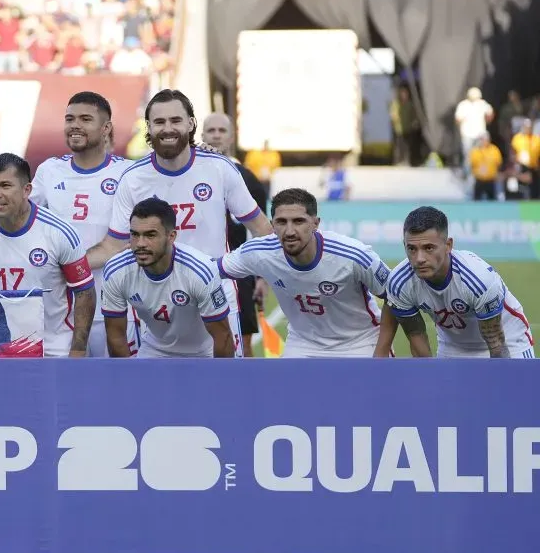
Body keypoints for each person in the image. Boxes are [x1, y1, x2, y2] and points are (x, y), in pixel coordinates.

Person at [87, 89, 274, 357]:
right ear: (148, 127)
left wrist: (253, 273)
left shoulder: (219, 169)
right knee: (156, 396)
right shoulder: (133, 178)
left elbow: (262, 230)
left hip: (215, 297)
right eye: (159, 122)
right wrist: (66, 267)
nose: (168, 129)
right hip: (156, 303)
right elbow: (114, 245)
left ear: (191, 123)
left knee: (221, 392)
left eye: (176, 120)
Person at [0, 153, 97, 358]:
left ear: (27, 190)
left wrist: (77, 350)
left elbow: (85, 292)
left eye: (5, 186)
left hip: (52, 350)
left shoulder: (58, 232)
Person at [217, 188, 391, 358]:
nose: (290, 231)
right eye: (281, 222)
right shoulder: (260, 252)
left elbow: (395, 296)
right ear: (272, 225)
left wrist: (382, 351)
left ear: (316, 223)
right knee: (285, 388)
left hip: (360, 342)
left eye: (298, 221)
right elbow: (210, 271)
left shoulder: (353, 255)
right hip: (303, 344)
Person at [29, 91, 132, 357]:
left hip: (116, 307)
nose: (75, 125)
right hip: (61, 312)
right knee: (66, 393)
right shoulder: (49, 170)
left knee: (118, 390)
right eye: (70, 118)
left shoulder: (128, 173)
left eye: (86, 119)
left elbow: (123, 242)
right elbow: (27, 225)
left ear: (106, 127)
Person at [377, 206, 533, 359]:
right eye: (411, 249)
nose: (419, 259)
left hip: (508, 340)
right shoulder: (399, 284)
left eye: (429, 248)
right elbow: (416, 336)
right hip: (453, 346)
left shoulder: (478, 280)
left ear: (448, 245)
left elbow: (497, 345)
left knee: (507, 383)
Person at [102, 198, 234, 358]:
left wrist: (218, 381)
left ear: (171, 236)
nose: (140, 243)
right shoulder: (116, 270)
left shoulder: (200, 272)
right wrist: (130, 380)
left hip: (203, 353)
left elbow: (223, 337)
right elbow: (115, 336)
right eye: (135, 235)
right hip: (153, 350)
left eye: (150, 235)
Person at [201, 112, 268, 357]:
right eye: (211, 130)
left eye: (222, 130)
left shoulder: (249, 179)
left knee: (243, 345)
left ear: (231, 137)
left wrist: (261, 276)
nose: (216, 135)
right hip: (194, 270)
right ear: (201, 135)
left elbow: (260, 231)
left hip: (238, 273)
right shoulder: (189, 172)